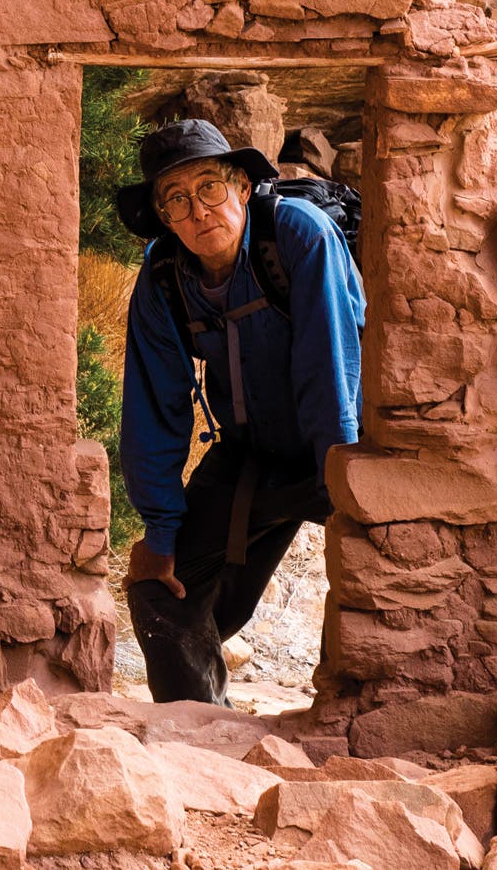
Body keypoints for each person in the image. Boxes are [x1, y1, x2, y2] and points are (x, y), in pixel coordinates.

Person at [113, 118, 363, 705]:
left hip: (336, 449)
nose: (197, 211)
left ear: (244, 188)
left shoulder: (302, 236)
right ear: (162, 217)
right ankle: (200, 733)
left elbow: (330, 369)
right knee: (160, 593)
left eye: (209, 188)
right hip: (250, 454)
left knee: (377, 576)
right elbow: (154, 407)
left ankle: (348, 716)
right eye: (175, 200)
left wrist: (347, 490)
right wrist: (160, 527)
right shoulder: (163, 276)